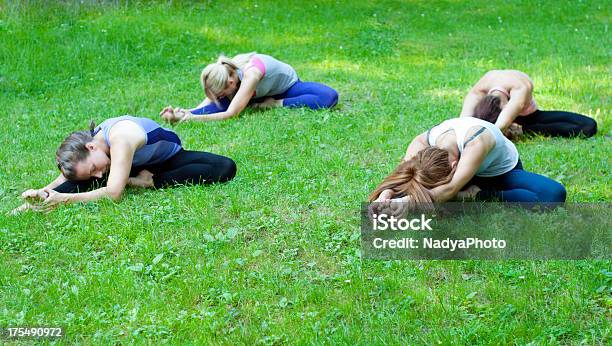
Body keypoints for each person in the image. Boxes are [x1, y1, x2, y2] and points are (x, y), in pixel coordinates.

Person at [13, 116, 236, 213]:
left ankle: (150, 182)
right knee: (79, 181)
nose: (98, 175)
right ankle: (31, 207)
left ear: (91, 147)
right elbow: (67, 178)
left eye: (94, 169)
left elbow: (113, 194)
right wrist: (44, 192)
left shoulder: (120, 137)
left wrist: (64, 200)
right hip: (131, 166)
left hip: (167, 160)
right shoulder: (96, 152)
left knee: (225, 167)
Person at [369, 117, 566, 211]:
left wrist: (405, 203)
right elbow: (405, 175)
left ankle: (476, 195)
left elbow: (450, 188)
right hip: (462, 177)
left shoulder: (476, 142)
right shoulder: (422, 142)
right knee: (421, 189)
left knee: (553, 194)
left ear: (454, 166)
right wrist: (386, 196)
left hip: (499, 174)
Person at [160, 52, 339, 123]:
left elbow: (231, 114)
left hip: (286, 88)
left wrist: (193, 119)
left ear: (230, 83)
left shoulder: (250, 75)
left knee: (328, 97)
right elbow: (213, 100)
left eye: (220, 93)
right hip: (252, 94)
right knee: (219, 106)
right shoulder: (225, 74)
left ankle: (274, 103)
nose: (219, 97)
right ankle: (177, 117)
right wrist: (188, 112)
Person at [460, 70, 597, 138]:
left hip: (530, 118)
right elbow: (462, 121)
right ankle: (522, 130)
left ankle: (522, 130)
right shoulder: (482, 86)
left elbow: (499, 127)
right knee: (587, 127)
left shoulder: (520, 87)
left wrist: (501, 130)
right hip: (509, 122)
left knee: (588, 126)